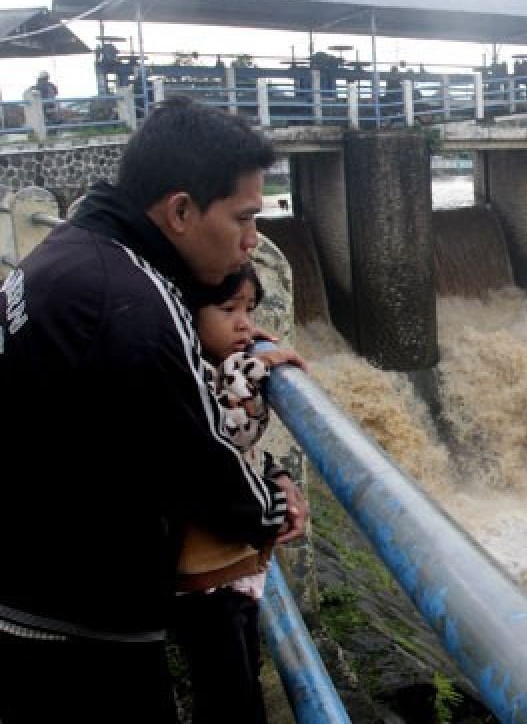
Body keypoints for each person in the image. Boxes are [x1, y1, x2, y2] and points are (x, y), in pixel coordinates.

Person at [0, 97, 307, 723]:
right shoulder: (132, 300)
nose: (251, 243)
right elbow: (202, 462)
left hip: (30, 595)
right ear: (182, 211)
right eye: (244, 218)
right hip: (77, 627)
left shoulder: (71, 253)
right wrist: (276, 499)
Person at [173, 262, 306, 724]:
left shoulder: (210, 364)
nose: (245, 323)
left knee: (241, 668)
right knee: (229, 688)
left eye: (249, 309)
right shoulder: (190, 374)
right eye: (229, 308)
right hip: (209, 572)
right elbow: (229, 429)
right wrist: (256, 364)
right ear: (186, 312)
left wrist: (276, 476)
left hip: (233, 562)